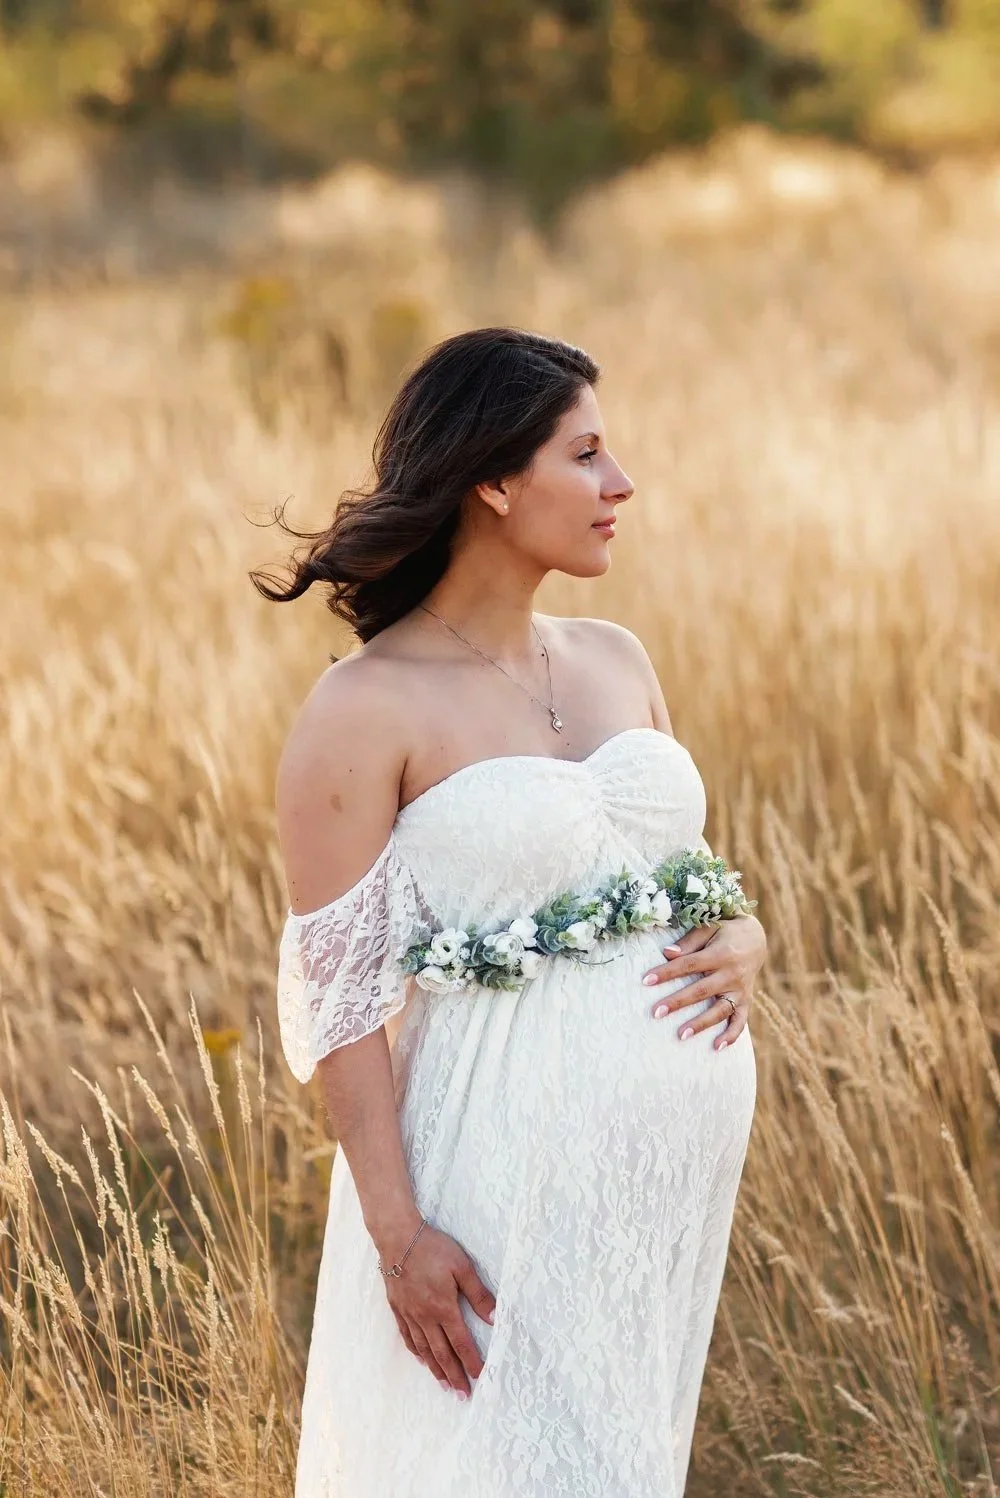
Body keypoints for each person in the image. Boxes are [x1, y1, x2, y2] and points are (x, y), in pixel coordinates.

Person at [253, 326, 767, 1497]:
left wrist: (747, 933)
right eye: (585, 454)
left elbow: (677, 876)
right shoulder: (363, 707)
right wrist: (399, 1236)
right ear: (492, 478)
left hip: (650, 1212)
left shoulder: (616, 658)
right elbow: (338, 998)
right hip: (487, 1182)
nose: (620, 483)